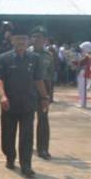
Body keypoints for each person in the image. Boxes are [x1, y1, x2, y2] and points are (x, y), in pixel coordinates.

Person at [0, 26, 50, 178]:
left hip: (28, 103)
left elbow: (39, 80)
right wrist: (2, 96)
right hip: (9, 104)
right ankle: (10, 157)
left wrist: (45, 97)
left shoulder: (35, 59)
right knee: (8, 134)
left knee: (27, 136)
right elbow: (0, 79)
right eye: (18, 38)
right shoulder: (4, 58)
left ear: (28, 41)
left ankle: (26, 165)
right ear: (12, 40)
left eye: (24, 39)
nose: (21, 42)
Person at [30, 26, 54, 160]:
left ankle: (43, 148)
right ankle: (27, 145)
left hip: (42, 91)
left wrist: (49, 95)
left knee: (43, 119)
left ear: (45, 40)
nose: (36, 39)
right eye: (34, 36)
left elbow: (50, 76)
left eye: (39, 37)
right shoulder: (26, 53)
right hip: (28, 90)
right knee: (27, 119)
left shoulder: (49, 56)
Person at [76, 41, 91, 109]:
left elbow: (81, 63)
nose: (81, 50)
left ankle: (83, 103)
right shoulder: (85, 55)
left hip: (84, 73)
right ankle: (81, 102)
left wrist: (74, 61)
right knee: (80, 89)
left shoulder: (87, 56)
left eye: (82, 48)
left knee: (83, 89)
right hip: (81, 73)